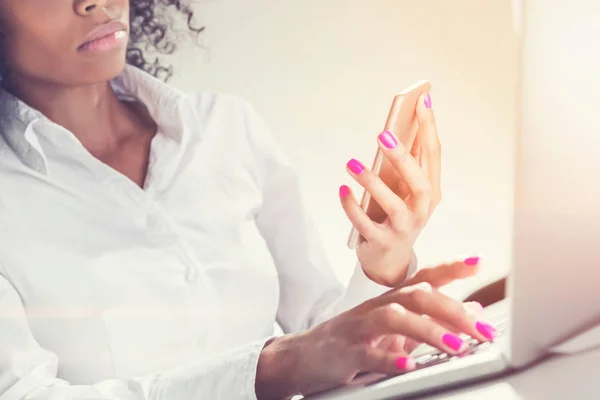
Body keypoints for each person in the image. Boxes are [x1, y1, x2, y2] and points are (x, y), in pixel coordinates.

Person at [0, 1, 497, 399]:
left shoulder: (225, 129)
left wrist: (380, 270)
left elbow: (320, 336)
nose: (95, 2)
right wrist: (272, 368)